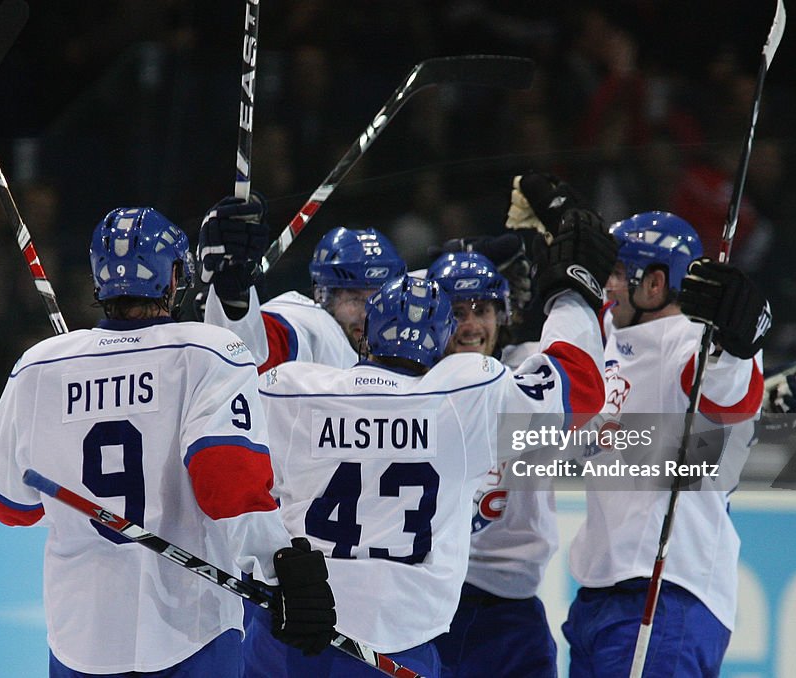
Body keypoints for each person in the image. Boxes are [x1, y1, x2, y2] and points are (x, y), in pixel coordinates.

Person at [239, 203, 616, 677]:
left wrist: (224, 298)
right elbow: (579, 386)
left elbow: (229, 401)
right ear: (442, 339)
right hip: (397, 642)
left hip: (289, 628)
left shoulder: (294, 386)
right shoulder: (466, 394)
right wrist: (573, 294)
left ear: (367, 333)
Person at [0, 207, 336, 677]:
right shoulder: (210, 351)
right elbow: (227, 484)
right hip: (191, 629)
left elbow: (6, 502)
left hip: (79, 637)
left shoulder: (40, 367)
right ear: (173, 278)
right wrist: (280, 565)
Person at [516, 174, 768, 677]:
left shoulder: (688, 338)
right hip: (601, 596)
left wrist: (740, 343)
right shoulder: (612, 332)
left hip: (667, 592)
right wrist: (570, 222)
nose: (606, 285)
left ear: (654, 284)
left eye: (616, 272)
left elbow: (729, 394)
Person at [424, 251, 563, 678]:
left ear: (502, 316)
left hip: (511, 611)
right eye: (455, 311)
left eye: (481, 310)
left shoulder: (529, 371)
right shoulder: (410, 388)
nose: (469, 325)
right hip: (430, 605)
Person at [194, 196, 406, 371]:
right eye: (355, 299)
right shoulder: (314, 328)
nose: (366, 315)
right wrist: (233, 296)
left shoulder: (410, 332)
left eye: (379, 301)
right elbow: (253, 352)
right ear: (323, 296)